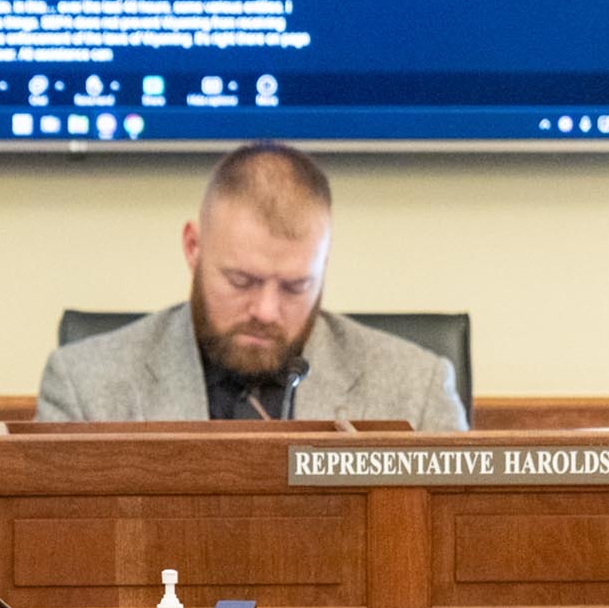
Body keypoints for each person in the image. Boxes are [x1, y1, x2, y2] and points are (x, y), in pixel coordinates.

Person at [36, 142, 467, 431]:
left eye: (296, 286)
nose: (265, 310)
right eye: (241, 281)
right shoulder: (84, 389)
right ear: (193, 247)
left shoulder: (416, 392)